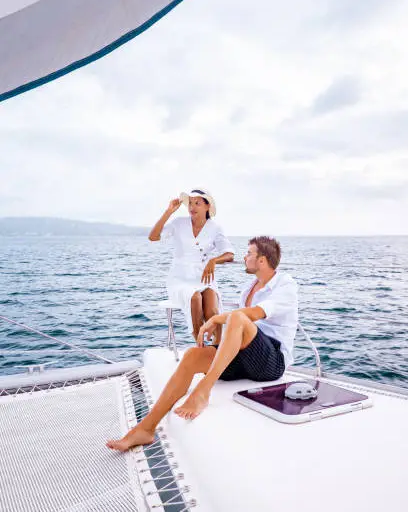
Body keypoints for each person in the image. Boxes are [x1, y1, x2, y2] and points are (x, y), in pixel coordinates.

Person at [107, 236, 298, 452]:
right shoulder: (250, 287)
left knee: (237, 318)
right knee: (192, 356)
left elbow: (255, 314)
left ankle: (203, 391)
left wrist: (216, 318)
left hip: (271, 362)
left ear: (262, 260)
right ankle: (146, 428)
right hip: (246, 356)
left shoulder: (286, 284)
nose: (244, 258)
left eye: (249, 254)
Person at [148, 188, 234, 343]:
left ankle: (218, 346)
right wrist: (168, 212)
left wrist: (213, 261)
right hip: (180, 279)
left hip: (203, 278)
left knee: (212, 308)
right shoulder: (178, 223)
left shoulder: (215, 228)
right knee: (194, 297)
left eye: (197, 203)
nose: (192, 207)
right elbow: (153, 237)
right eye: (190, 203)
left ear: (207, 206)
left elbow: (229, 254)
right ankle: (199, 344)